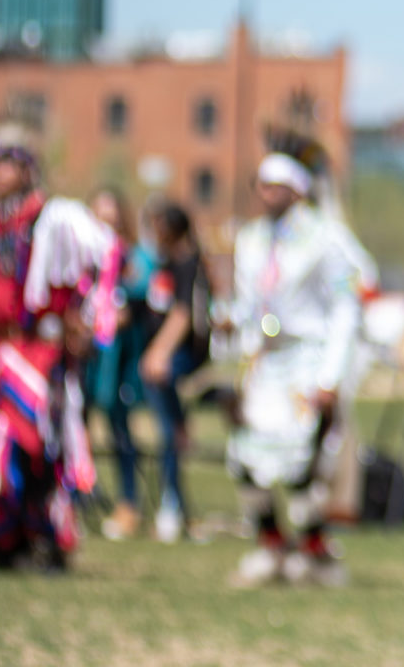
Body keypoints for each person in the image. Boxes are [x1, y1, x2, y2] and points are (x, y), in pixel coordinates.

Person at [0, 125, 114, 570]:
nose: (0, 171)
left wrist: (84, 321)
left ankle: (48, 538)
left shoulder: (56, 218)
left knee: (41, 445)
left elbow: (104, 260)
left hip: (39, 352)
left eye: (9, 162)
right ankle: (6, 539)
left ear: (27, 169)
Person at [225, 148, 370, 587]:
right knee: (246, 454)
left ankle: (313, 550)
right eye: (262, 186)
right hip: (266, 360)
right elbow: (248, 305)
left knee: (303, 459)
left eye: (277, 187)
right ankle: (270, 544)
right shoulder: (249, 239)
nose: (267, 195)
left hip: (309, 357)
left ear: (297, 190)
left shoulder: (326, 238)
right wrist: (235, 333)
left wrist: (331, 376)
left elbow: (347, 306)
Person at [134, 199, 208, 542]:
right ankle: (173, 501)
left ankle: (171, 504)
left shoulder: (189, 263)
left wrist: (159, 352)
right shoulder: (163, 262)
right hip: (159, 353)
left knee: (169, 434)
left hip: (176, 358)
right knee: (170, 431)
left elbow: (182, 313)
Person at [85, 188, 149, 541]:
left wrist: (116, 315)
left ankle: (129, 503)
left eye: (111, 219)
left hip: (119, 358)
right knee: (74, 425)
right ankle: (76, 496)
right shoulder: (82, 258)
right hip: (86, 354)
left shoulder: (132, 259)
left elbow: (139, 299)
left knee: (119, 426)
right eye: (99, 218)